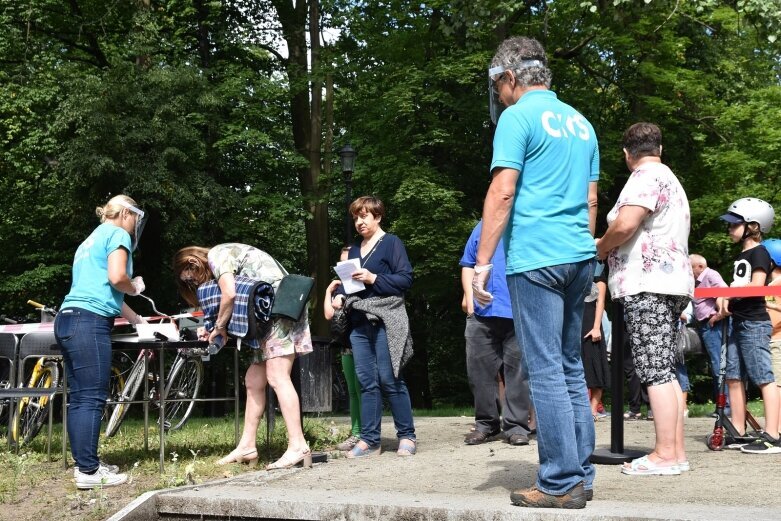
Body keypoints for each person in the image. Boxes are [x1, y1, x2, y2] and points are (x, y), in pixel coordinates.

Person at [473, 36, 599, 508]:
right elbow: (590, 201)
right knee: (569, 367)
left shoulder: (516, 117)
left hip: (537, 258)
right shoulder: (581, 123)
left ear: (509, 78)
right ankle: (581, 474)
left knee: (544, 368)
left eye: (497, 86)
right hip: (578, 256)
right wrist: (584, 252)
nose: (499, 96)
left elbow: (502, 192)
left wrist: (483, 264)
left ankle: (559, 480)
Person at [597, 122, 693, 476]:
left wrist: (601, 248)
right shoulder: (669, 177)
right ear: (660, 148)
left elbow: (625, 225)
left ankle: (665, 454)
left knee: (654, 370)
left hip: (648, 284)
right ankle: (676, 453)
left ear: (626, 154)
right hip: (671, 283)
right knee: (664, 368)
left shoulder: (645, 176)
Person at [173, 243, 313, 469]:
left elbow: (229, 294)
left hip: (279, 310)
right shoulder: (222, 260)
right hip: (266, 315)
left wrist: (219, 326)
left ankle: (298, 446)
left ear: (193, 262)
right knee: (254, 380)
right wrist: (218, 327)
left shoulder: (217, 256)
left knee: (278, 377)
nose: (194, 284)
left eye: (191, 279)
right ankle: (247, 446)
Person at [54, 194, 148, 489]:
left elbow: (103, 288)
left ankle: (87, 464)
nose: (134, 227)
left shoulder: (90, 240)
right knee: (92, 397)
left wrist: (137, 320)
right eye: (135, 219)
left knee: (81, 397)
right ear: (126, 214)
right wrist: (134, 286)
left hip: (68, 318)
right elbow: (117, 277)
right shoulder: (118, 233)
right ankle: (88, 473)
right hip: (89, 321)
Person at [331, 196, 416, 458]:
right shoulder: (355, 250)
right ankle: (370, 440)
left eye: (364, 216)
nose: (359, 222)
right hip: (358, 323)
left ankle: (407, 436)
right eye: (356, 217)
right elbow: (352, 286)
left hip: (385, 320)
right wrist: (342, 295)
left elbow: (405, 279)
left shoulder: (391, 243)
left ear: (377, 217)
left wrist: (374, 277)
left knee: (390, 379)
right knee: (367, 382)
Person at [716, 198, 780, 454]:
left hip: (754, 323)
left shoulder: (760, 252)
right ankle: (739, 430)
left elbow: (756, 286)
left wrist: (727, 295)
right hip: (737, 321)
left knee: (763, 377)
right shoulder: (741, 255)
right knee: (733, 375)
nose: (730, 230)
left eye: (734, 225)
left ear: (753, 226)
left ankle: (773, 434)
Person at [460, 220, 532, 446]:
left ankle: (517, 427)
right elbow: (468, 264)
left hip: (519, 312)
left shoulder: (528, 222)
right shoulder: (483, 226)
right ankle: (486, 424)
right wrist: (470, 300)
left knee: (518, 375)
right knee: (478, 374)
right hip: (482, 314)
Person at [324, 246, 362, 451]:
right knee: (353, 391)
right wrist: (330, 291)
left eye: (348, 261)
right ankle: (356, 433)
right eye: (341, 262)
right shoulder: (340, 287)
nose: (344, 266)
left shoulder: (362, 283)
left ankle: (365, 434)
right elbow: (329, 315)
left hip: (363, 341)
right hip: (346, 345)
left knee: (364, 389)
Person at [689, 253, 731, 415]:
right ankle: (721, 406)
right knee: (715, 366)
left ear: (699, 266)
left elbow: (726, 294)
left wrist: (718, 315)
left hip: (714, 326)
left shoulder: (711, 275)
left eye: (689, 267)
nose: (688, 271)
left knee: (719, 366)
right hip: (706, 327)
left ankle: (726, 407)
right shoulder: (697, 282)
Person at [582, 262, 610, 421]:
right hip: (575, 326)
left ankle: (593, 410)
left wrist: (596, 327)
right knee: (579, 369)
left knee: (596, 369)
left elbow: (600, 303)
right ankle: (582, 410)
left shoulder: (599, 279)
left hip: (592, 326)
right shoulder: (575, 277)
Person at [763, 239, 781, 435]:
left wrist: (770, 306)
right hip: (773, 338)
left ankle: (777, 428)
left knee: (777, 385)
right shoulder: (771, 285)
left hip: (779, 339)